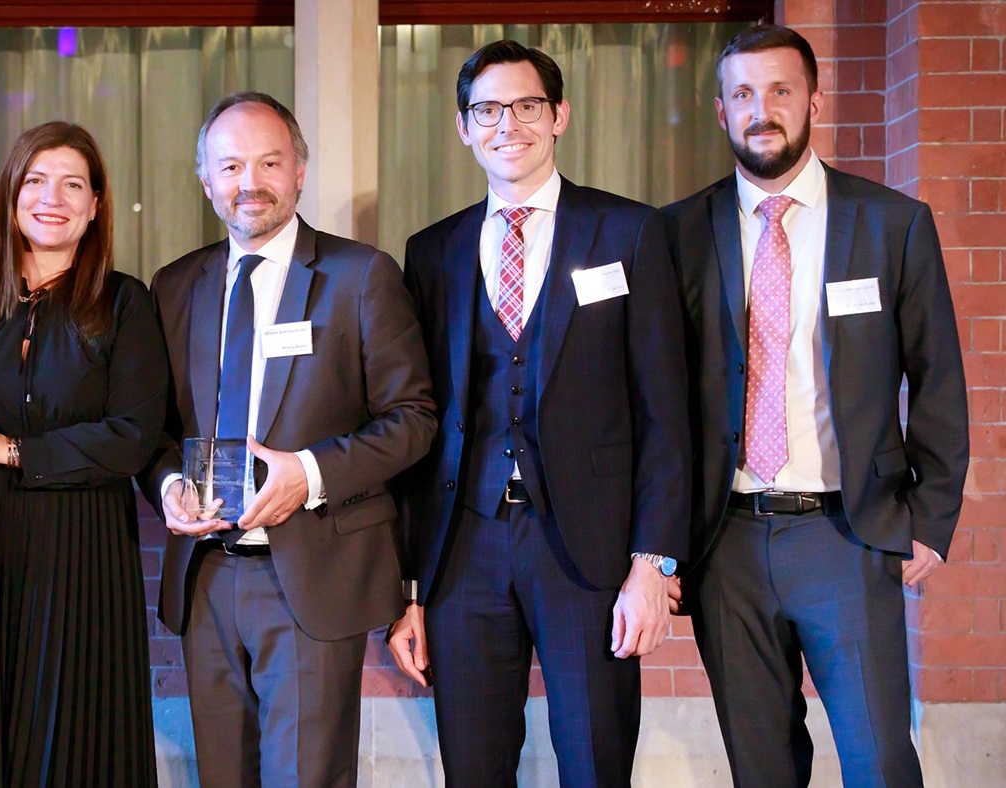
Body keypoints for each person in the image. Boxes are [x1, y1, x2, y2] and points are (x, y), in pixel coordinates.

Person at [661, 24, 968, 787]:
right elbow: (656, 398)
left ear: (814, 102)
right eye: (742, 94)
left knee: (879, 761)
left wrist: (931, 517)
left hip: (848, 536)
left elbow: (937, 378)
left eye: (780, 90)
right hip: (725, 543)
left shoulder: (891, 223)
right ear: (721, 111)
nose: (760, 109)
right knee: (761, 767)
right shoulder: (675, 234)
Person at [386, 40, 691, 787]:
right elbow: (419, 423)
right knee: (473, 767)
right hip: (465, 549)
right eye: (487, 110)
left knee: (595, 761)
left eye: (527, 106)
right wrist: (410, 589)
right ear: (464, 128)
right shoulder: (432, 252)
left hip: (589, 554)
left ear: (559, 116)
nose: (508, 125)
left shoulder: (629, 232)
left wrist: (653, 564)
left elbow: (666, 413)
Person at [139, 91, 436, 787]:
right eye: (231, 166)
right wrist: (168, 484)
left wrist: (310, 471)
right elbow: (153, 431)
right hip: (206, 576)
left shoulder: (360, 276)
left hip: (311, 572)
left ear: (300, 171)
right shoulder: (174, 286)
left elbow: (413, 418)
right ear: (206, 180)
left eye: (269, 162)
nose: (250, 182)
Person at [0, 122, 168, 785]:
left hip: (81, 553)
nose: (53, 198)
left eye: (73, 185)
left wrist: (10, 448)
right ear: (12, 193)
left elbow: (133, 436)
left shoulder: (126, 303)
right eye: (37, 181)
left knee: (71, 746)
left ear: (96, 205)